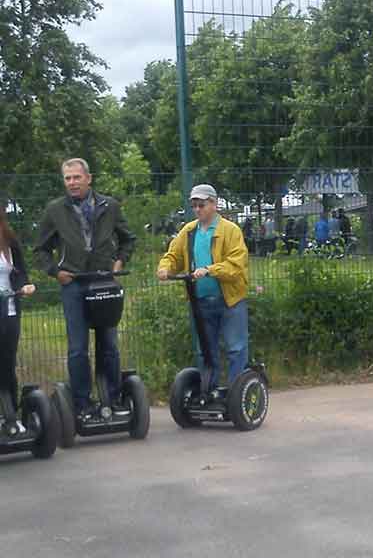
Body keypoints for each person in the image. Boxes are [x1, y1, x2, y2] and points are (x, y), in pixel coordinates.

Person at [35, 157, 136, 418]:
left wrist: (120, 262)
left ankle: (112, 399)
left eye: (76, 177)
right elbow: (41, 251)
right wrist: (56, 273)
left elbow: (128, 239)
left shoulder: (109, 206)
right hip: (74, 285)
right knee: (78, 348)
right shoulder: (55, 210)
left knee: (109, 345)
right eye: (67, 178)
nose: (72, 183)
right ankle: (82, 404)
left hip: (103, 281)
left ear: (88, 179)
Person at [157, 184, 249, 390]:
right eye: (194, 206)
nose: (198, 209)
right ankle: (209, 390)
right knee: (204, 351)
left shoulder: (230, 230)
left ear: (214, 204)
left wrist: (210, 269)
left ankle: (236, 393)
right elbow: (173, 256)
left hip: (230, 300)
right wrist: (165, 268)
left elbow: (237, 264)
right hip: (200, 301)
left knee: (236, 348)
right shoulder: (188, 231)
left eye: (202, 205)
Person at [0, 204, 36, 424]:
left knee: (7, 363)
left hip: (9, 308)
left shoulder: (8, 240)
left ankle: (11, 416)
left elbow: (21, 272)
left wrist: (25, 285)